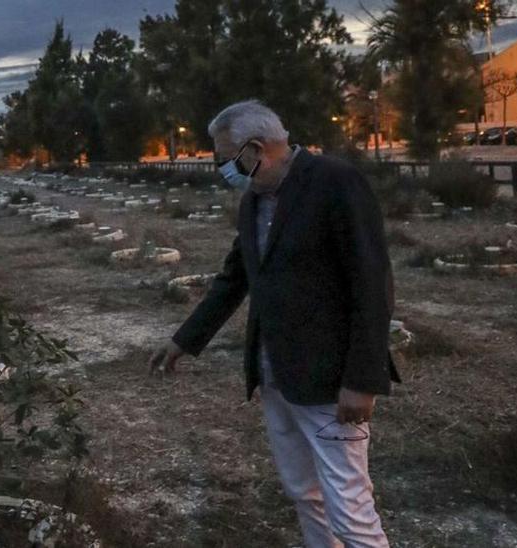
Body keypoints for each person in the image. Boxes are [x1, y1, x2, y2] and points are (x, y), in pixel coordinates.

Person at [148, 100, 399, 548]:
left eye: (226, 156)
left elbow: (372, 285)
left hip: (329, 381)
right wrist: (183, 341)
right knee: (305, 494)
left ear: (256, 148)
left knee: (350, 509)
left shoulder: (335, 183)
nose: (222, 166)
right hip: (276, 377)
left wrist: (363, 379)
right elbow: (234, 278)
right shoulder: (254, 202)